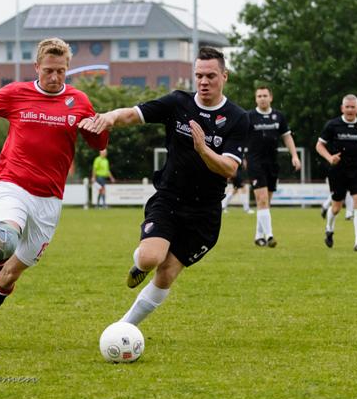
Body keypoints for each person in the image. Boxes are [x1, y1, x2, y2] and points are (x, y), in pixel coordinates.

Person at [0, 38, 109, 345]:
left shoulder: (79, 101)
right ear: (36, 67)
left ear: (68, 68)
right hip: (12, 184)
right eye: (48, 71)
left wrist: (99, 128)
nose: (55, 78)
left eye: (60, 71)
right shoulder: (16, 93)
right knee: (3, 242)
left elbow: (99, 144)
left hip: (50, 200)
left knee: (10, 275)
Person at [79, 46, 248, 326]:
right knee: (149, 259)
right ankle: (139, 266)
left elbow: (230, 168)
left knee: (167, 272)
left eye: (211, 76)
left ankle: (124, 327)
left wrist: (203, 150)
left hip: (205, 213)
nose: (204, 82)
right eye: (199, 76)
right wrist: (109, 118)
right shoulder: (178, 103)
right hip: (170, 199)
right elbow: (133, 114)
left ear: (224, 76)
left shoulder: (237, 117)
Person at [316, 94, 357, 251]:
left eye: (353, 107)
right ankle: (329, 229)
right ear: (342, 108)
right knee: (336, 207)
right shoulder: (333, 125)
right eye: (347, 107)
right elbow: (319, 146)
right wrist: (330, 158)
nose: (350, 110)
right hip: (338, 171)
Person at [246, 86, 301, 247]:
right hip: (255, 162)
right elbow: (240, 138)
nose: (262, 98)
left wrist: (295, 156)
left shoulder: (278, 116)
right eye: (259, 96)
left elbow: (287, 137)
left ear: (271, 97)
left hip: (272, 163)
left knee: (265, 202)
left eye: (265, 95)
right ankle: (269, 236)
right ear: (255, 99)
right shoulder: (249, 117)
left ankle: (258, 236)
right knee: (262, 200)